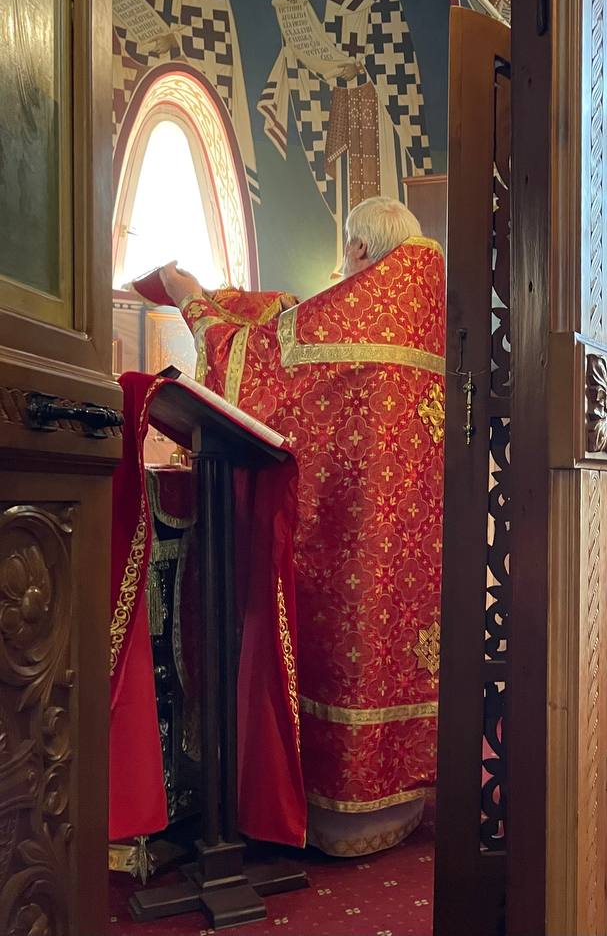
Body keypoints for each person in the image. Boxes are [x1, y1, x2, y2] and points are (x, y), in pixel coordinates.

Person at [143, 196, 444, 857]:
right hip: (412, 549)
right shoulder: (430, 319)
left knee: (336, 645)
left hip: (342, 543)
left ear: (359, 251)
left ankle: (327, 806)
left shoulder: (352, 315)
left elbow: (253, 359)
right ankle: (393, 796)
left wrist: (189, 297)